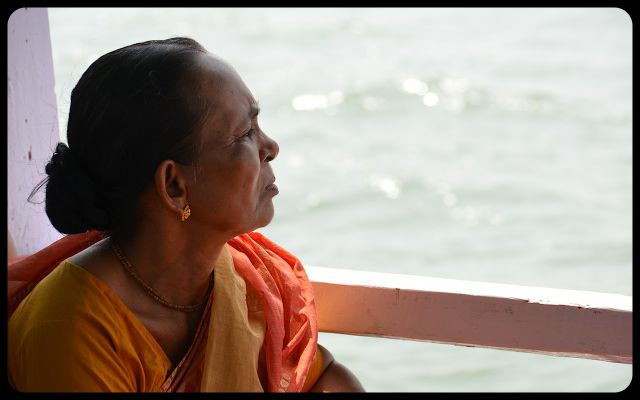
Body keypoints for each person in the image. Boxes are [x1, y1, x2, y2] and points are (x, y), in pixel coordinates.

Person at [7, 37, 364, 392]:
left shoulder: (242, 279)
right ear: (174, 186)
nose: (271, 147)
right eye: (244, 134)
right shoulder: (71, 330)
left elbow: (324, 376)